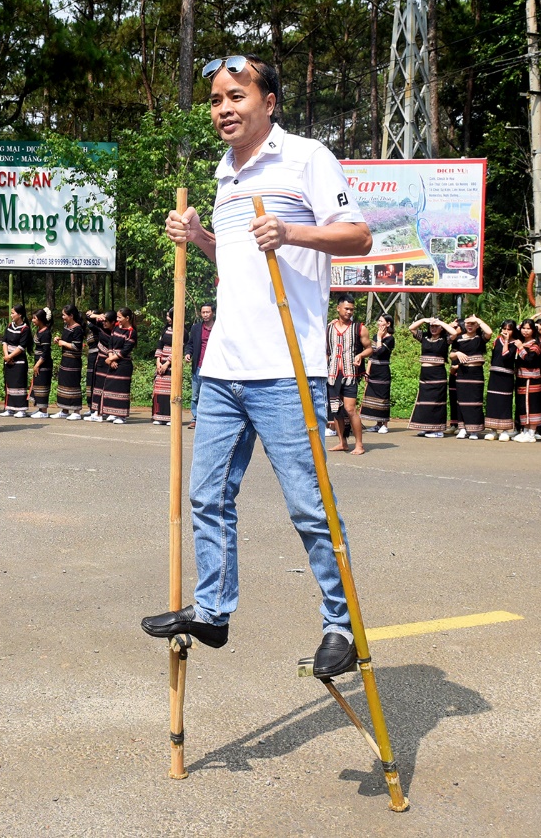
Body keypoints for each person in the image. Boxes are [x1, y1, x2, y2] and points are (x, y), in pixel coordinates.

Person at [140, 52, 372, 679]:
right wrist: (201, 240)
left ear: (269, 102)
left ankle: (340, 627)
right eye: (216, 99)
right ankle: (213, 611)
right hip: (224, 366)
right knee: (206, 496)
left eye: (236, 96)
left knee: (309, 504)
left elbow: (358, 237)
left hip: (284, 368)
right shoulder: (224, 175)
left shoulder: (307, 158)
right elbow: (236, 267)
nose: (224, 109)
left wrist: (292, 235)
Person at [325, 294, 364, 453]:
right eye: (346, 308)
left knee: (350, 409)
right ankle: (342, 442)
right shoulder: (329, 327)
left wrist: (361, 355)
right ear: (338, 308)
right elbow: (327, 350)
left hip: (350, 374)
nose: (349, 312)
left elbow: (369, 347)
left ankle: (359, 445)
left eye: (351, 309)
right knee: (336, 409)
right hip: (333, 374)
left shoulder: (359, 327)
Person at [406, 316, 458, 437]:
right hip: (425, 374)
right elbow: (411, 328)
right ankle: (426, 427)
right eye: (432, 326)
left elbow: (454, 333)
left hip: (438, 374)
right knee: (424, 402)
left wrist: (441, 322)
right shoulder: (424, 337)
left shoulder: (445, 339)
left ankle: (438, 430)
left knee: (437, 402)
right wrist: (425, 320)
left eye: (436, 327)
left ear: (441, 328)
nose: (433, 329)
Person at [451, 315, 491, 440]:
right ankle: (462, 428)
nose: (469, 325)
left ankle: (474, 430)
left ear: (477, 325)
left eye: (472, 324)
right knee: (461, 401)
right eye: (467, 323)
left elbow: (489, 332)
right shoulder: (458, 339)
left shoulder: (480, 338)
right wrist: (457, 353)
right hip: (462, 373)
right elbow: (451, 354)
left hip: (476, 373)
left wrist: (478, 320)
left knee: (475, 401)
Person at [95, 308, 137, 424]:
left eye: (119, 317)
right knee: (109, 387)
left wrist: (111, 358)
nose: (117, 320)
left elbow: (125, 350)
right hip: (113, 361)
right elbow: (110, 344)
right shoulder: (117, 327)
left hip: (123, 364)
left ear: (127, 318)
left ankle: (121, 415)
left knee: (121, 389)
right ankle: (112, 412)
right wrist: (111, 358)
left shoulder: (131, 332)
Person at [484, 320, 520, 441]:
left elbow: (506, 356)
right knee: (493, 401)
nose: (506, 331)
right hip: (495, 375)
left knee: (505, 402)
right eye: (504, 328)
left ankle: (504, 430)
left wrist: (506, 341)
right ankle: (492, 430)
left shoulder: (516, 343)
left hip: (507, 376)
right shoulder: (496, 340)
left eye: (509, 329)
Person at [510, 319, 541, 442]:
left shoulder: (536, 344)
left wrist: (520, 348)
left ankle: (531, 432)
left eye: (528, 328)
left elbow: (530, 360)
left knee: (532, 404)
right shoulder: (521, 342)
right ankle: (525, 431)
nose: (525, 331)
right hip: (521, 378)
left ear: (533, 330)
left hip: (532, 378)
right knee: (522, 405)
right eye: (524, 328)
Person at [358, 314, 394, 433]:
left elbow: (379, 352)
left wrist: (379, 337)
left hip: (383, 371)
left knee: (383, 397)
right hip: (373, 370)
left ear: (388, 324)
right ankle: (377, 423)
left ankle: (384, 424)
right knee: (372, 397)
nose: (379, 323)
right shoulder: (375, 336)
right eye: (378, 320)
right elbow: (372, 356)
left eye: (381, 321)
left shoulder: (390, 339)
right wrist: (367, 372)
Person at [185, 302, 215, 428]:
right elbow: (190, 344)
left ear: (213, 313)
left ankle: (210, 419)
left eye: (208, 312)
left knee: (212, 394)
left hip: (214, 367)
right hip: (199, 365)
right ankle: (195, 418)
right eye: (203, 312)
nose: (205, 315)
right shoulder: (196, 328)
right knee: (195, 395)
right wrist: (188, 353)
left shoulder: (220, 327)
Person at [53, 305, 85, 418]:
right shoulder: (67, 326)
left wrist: (64, 343)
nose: (62, 317)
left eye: (64, 315)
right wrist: (59, 339)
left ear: (71, 316)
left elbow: (77, 346)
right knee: (64, 384)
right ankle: (64, 409)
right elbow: (65, 340)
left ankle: (76, 411)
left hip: (73, 361)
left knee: (73, 384)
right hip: (65, 359)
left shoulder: (78, 328)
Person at [1, 304, 32, 417]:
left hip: (18, 361)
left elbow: (22, 346)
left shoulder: (25, 329)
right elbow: (4, 341)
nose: (11, 315)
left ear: (20, 315)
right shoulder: (10, 326)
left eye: (13, 313)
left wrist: (10, 356)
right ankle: (9, 408)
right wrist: (6, 355)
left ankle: (21, 409)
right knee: (9, 384)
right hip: (8, 359)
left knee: (19, 384)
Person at [151, 312, 174, 426]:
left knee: (169, 392)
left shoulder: (182, 331)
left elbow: (179, 349)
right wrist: (158, 362)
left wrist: (167, 364)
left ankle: (170, 417)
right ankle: (158, 416)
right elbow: (159, 345)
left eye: (169, 316)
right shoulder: (165, 329)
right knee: (159, 391)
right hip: (161, 362)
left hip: (172, 366)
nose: (167, 318)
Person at [30, 307, 54, 418]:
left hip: (44, 363)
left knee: (43, 385)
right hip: (38, 361)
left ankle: (44, 410)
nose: (32, 320)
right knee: (38, 385)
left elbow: (45, 352)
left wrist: (38, 364)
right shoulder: (39, 331)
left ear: (40, 319)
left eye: (34, 318)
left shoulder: (46, 333)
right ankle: (40, 408)